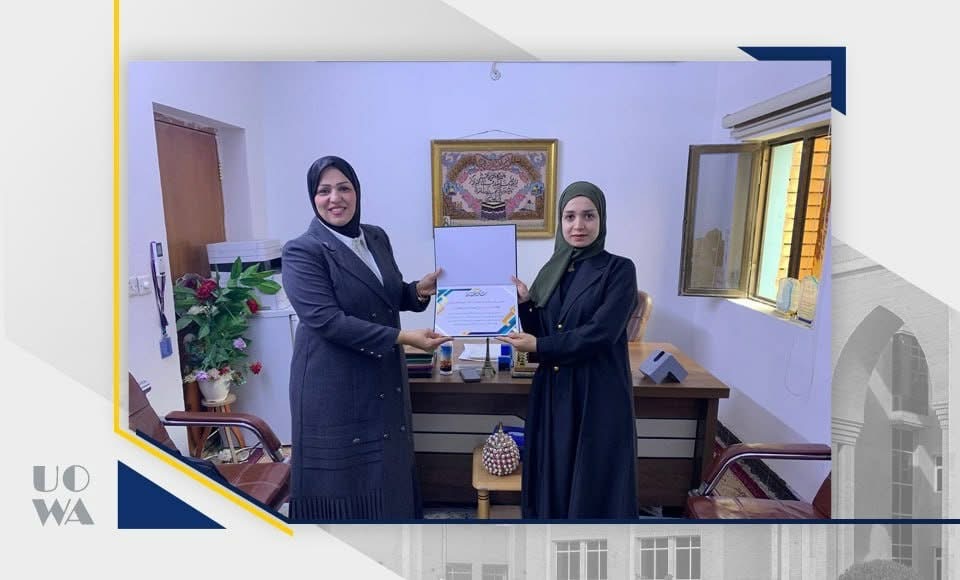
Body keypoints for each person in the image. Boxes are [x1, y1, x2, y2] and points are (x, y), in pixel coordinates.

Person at [282, 155, 451, 520]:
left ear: (357, 192)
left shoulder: (375, 236)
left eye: (344, 188)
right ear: (313, 197)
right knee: (346, 481)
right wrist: (403, 337)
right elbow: (327, 320)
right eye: (324, 191)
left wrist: (418, 290)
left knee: (388, 467)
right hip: (334, 382)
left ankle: (396, 542)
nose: (335, 198)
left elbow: (385, 295)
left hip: (382, 374)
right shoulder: (302, 251)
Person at [499, 180, 639, 519]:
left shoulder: (619, 270)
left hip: (597, 391)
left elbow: (601, 333)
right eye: (570, 216)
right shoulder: (553, 271)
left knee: (593, 477)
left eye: (589, 216)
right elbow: (542, 331)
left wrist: (540, 345)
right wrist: (526, 304)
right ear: (560, 222)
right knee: (554, 471)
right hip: (554, 390)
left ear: (601, 219)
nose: (579, 225)